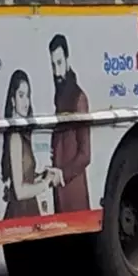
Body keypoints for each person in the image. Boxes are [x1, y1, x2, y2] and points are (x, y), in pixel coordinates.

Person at [48, 35, 90, 214]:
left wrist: (62, 175)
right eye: (53, 65)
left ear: (67, 60)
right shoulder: (61, 94)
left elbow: (85, 154)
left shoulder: (78, 98)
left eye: (59, 63)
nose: (57, 72)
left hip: (73, 192)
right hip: (61, 190)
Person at [1, 69, 46, 219]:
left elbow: (25, 176)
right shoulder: (15, 137)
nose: (26, 101)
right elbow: (20, 192)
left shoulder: (22, 135)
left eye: (28, 95)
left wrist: (42, 176)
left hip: (28, 209)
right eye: (21, 95)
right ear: (12, 100)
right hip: (21, 212)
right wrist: (46, 184)